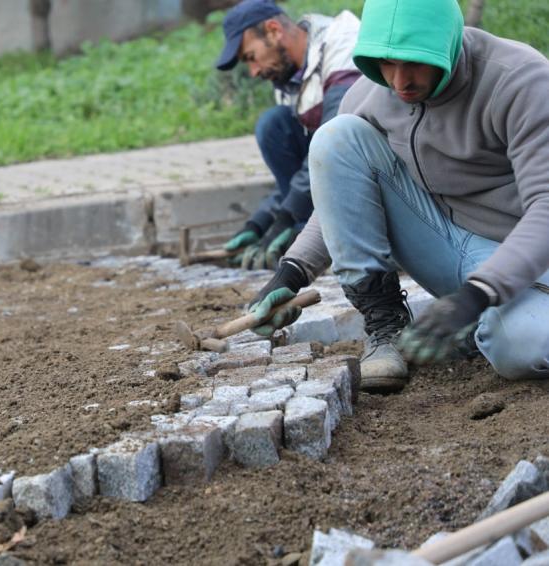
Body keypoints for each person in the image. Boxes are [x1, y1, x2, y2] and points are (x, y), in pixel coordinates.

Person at [247, 0, 549, 393]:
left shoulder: (519, 80)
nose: (399, 81)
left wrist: (477, 296)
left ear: (448, 45)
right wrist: (292, 271)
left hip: (524, 259)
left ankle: (485, 325)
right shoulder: (373, 91)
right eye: (386, 64)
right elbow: (340, 189)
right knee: (335, 138)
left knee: (522, 348)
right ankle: (387, 325)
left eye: (415, 63)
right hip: (443, 245)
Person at [215, 0, 361, 270]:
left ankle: (318, 235)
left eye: (250, 57)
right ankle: (308, 231)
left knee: (281, 126)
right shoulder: (287, 76)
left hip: (370, 167)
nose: (254, 71)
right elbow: (303, 167)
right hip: (335, 165)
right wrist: (260, 221)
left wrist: (288, 214)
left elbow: (333, 145)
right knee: (274, 125)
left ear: (273, 30)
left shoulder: (342, 46)